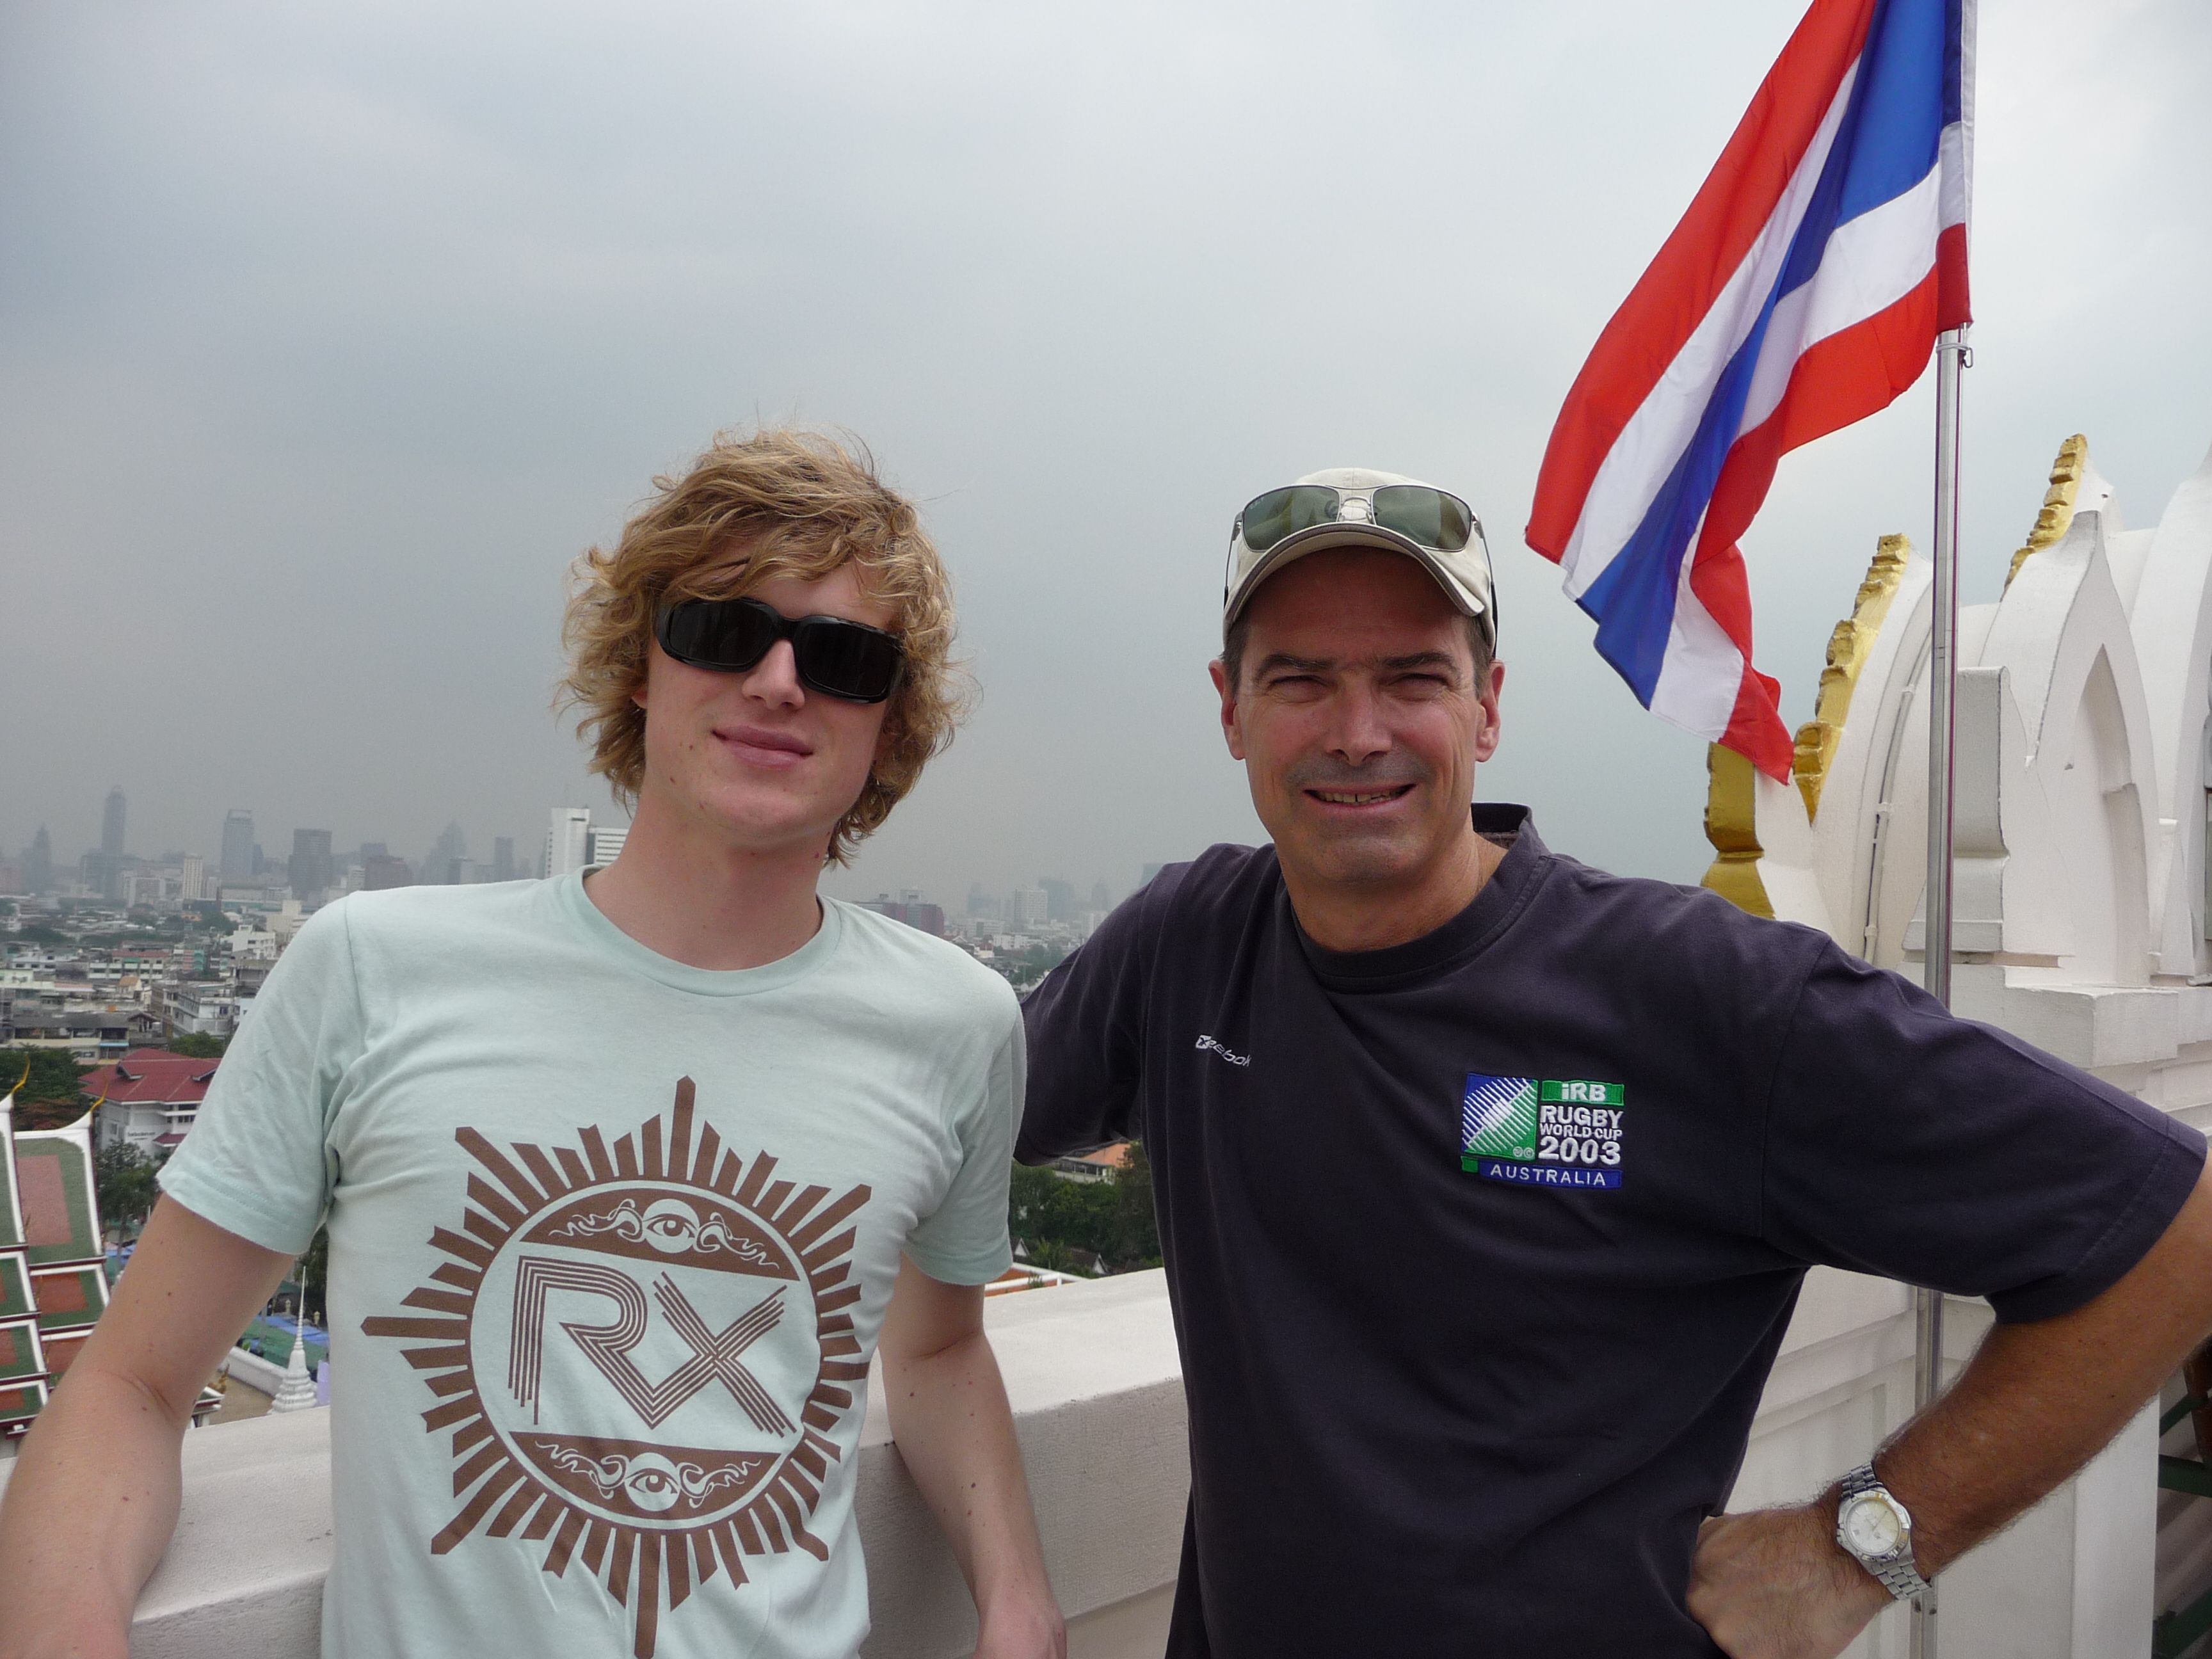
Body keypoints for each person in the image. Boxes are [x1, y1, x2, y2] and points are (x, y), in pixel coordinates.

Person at [1015, 467, 2212, 1658]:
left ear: (1487, 708)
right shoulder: (1188, 947)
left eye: (1413, 678)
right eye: (1300, 680)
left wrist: (1854, 1547)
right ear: (1231, 709)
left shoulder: (1698, 997)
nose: (1358, 732)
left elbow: (2180, 1232)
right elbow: (954, 1116)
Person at [0, 429, 1065, 1659]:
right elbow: (132, 1385)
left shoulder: (958, 1021)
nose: (780, 682)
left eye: (845, 657)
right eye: (723, 629)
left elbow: (937, 1347)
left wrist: (1018, 1599)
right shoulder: (371, 969)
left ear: (890, 720)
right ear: (640, 668)